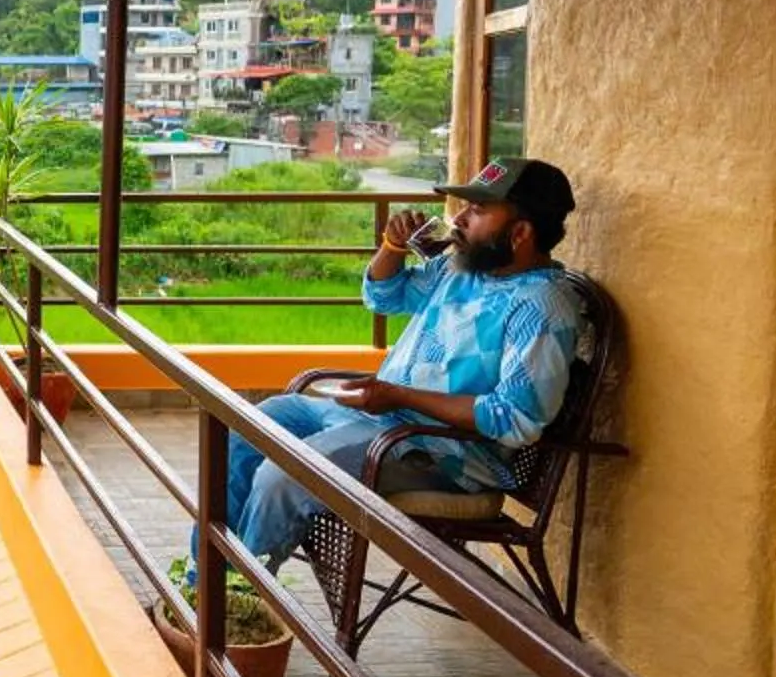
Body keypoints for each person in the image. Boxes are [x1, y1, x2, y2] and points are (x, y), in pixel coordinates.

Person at [218, 157, 587, 562]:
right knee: (242, 432)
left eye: (478, 210)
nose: (459, 218)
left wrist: (401, 397)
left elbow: (514, 419)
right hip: (378, 421)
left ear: (519, 233)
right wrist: (393, 248)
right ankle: (205, 582)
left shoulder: (542, 308)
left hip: (438, 453)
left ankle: (240, 610)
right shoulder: (459, 268)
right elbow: (383, 296)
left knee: (285, 477)